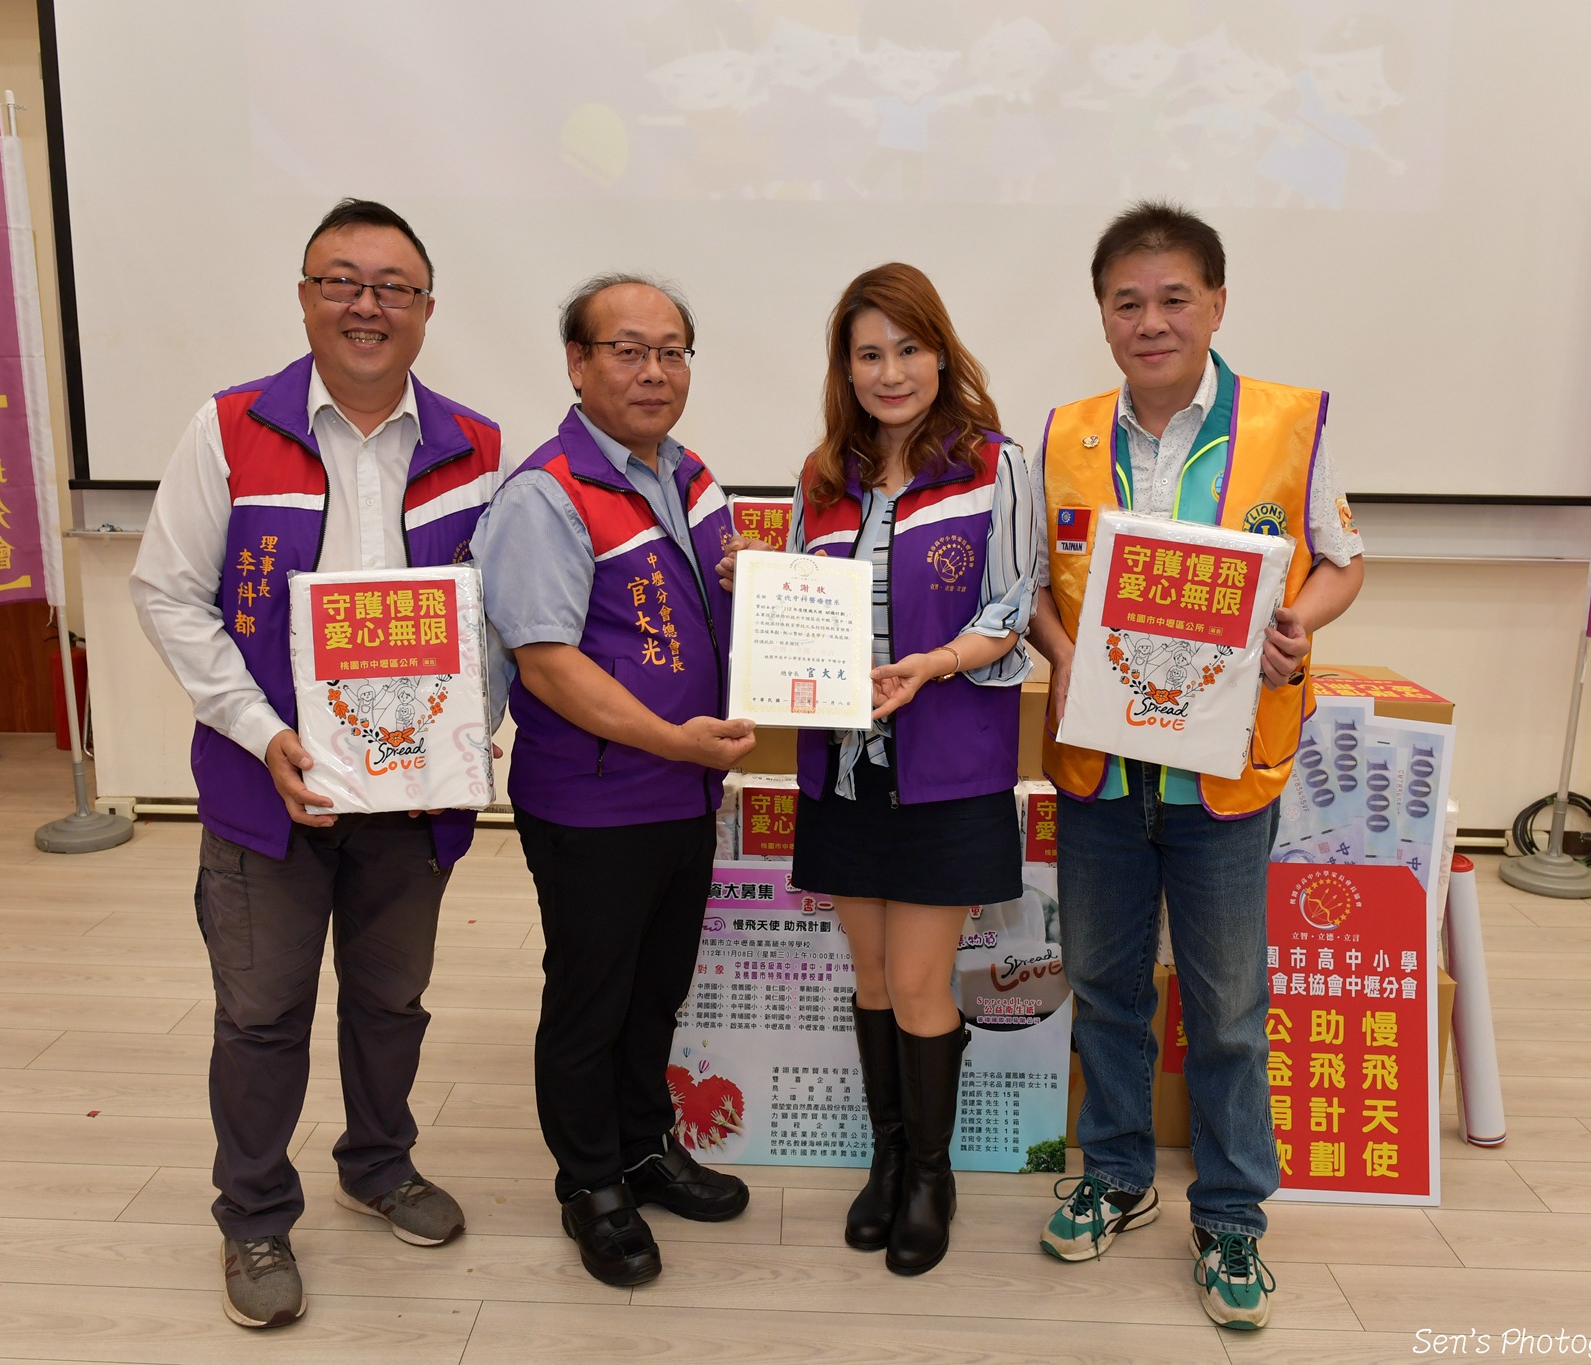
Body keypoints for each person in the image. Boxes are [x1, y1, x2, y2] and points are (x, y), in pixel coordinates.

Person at [132, 199, 501, 1329]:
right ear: (303, 298)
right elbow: (168, 593)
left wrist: (468, 728)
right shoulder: (229, 427)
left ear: (427, 310)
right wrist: (263, 734)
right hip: (268, 787)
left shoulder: (478, 447)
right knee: (261, 1012)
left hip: (412, 792)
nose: (365, 305)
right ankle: (253, 1215)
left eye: (393, 286)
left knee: (391, 998)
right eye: (340, 280)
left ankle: (378, 1163)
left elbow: (497, 615)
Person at [1028, 201, 1364, 1330]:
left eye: (1174, 298)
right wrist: (1062, 653)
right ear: (1102, 315)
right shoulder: (1064, 435)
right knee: (1104, 986)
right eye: (1127, 302)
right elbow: (1037, 589)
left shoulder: (1288, 422)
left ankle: (1229, 1214)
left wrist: (1301, 622)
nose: (1151, 321)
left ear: (1217, 304)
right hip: (1101, 772)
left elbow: (1341, 559)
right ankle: (1118, 1175)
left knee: (1224, 1007)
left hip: (1222, 775)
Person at [724, 262, 1039, 1276]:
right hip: (845, 772)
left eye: (907, 349)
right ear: (845, 368)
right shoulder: (822, 477)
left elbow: (1011, 605)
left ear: (940, 354)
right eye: (868, 354)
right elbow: (794, 609)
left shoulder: (992, 463)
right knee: (867, 976)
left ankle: (931, 1176)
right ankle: (888, 1157)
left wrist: (932, 663)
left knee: (914, 981)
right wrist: (754, 589)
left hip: (946, 769)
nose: (889, 372)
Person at [472, 274, 757, 1288]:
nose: (653, 371)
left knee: (655, 991)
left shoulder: (689, 476)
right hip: (593, 800)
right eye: (627, 350)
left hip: (683, 792)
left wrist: (754, 589)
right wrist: (675, 740)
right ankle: (589, 1183)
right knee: (591, 998)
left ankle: (643, 1149)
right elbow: (548, 662)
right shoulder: (546, 494)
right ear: (578, 364)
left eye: (671, 351)